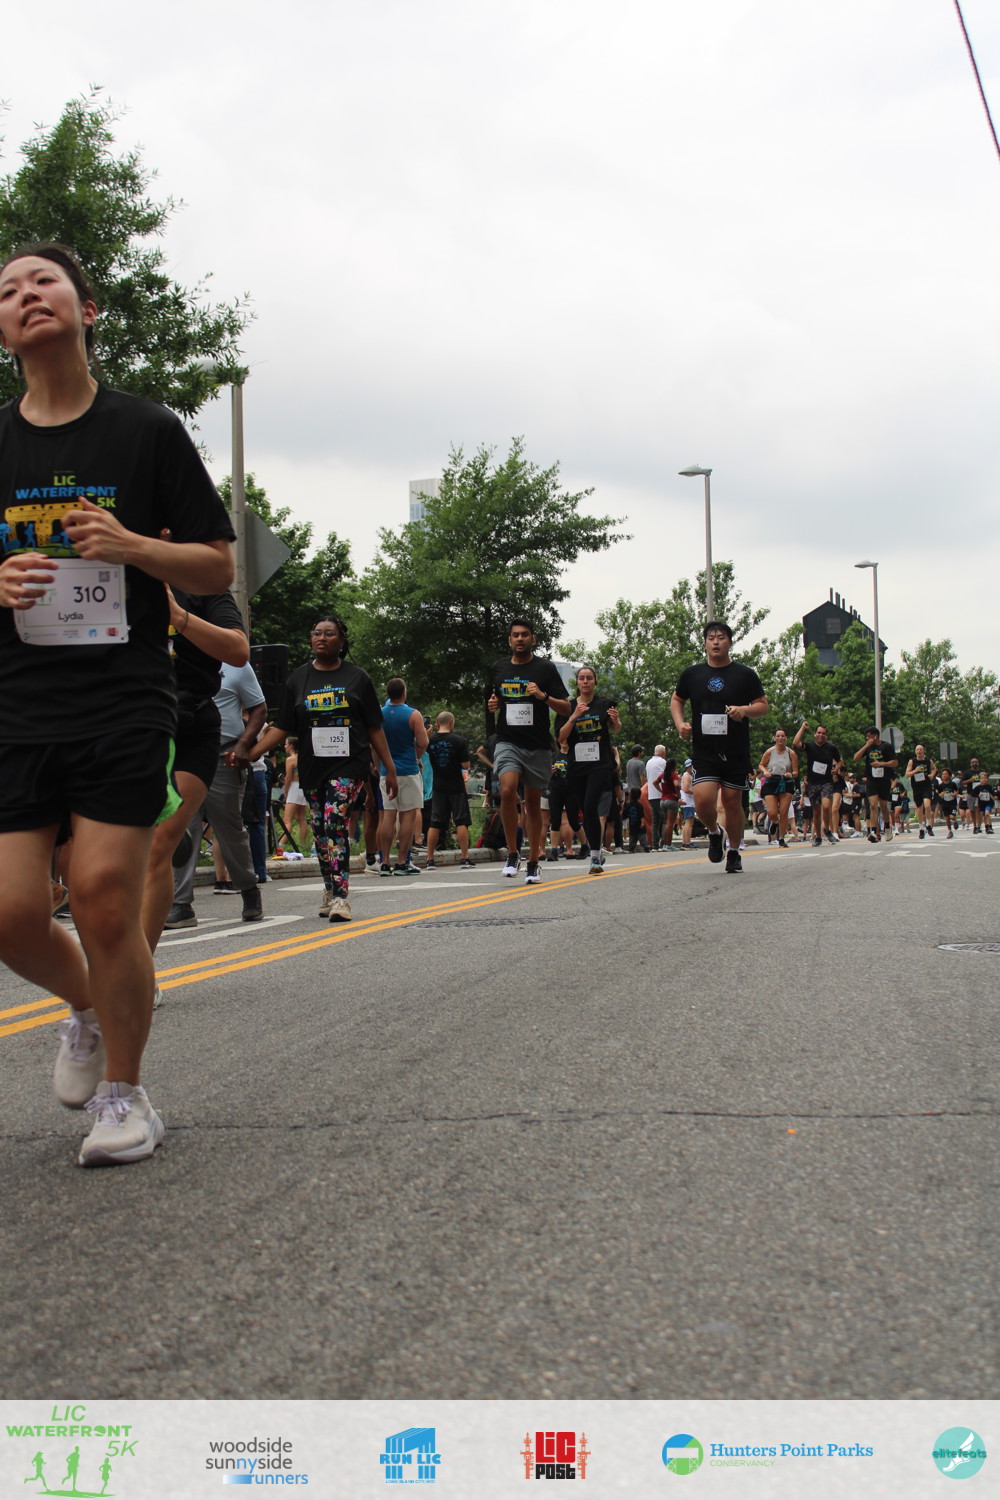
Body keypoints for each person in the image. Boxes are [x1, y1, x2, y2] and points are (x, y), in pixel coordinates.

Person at [0, 242, 235, 1166]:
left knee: (103, 895)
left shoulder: (145, 430)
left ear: (86, 308)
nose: (26, 296)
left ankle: (125, 1098)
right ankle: (89, 1006)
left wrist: (131, 544)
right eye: (8, 291)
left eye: (43, 281)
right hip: (17, 702)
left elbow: (216, 565)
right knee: (11, 914)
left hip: (124, 696)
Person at [252, 615, 398, 921]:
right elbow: (282, 727)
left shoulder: (358, 678)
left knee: (334, 821)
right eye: (316, 633)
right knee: (320, 830)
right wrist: (250, 753)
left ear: (342, 641)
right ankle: (329, 888)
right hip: (313, 766)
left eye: (329, 634)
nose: (321, 638)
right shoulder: (297, 679)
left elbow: (374, 727)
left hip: (349, 764)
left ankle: (342, 898)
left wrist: (389, 767)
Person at [170, 659, 268, 925]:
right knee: (182, 829)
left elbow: (259, 708)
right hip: (182, 754)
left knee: (229, 830)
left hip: (223, 756)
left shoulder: (235, 663)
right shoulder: (174, 657)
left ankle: (248, 888)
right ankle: (180, 903)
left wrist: (244, 744)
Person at [671, 622, 768, 874]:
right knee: (702, 799)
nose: (716, 642)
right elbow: (677, 699)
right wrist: (680, 724)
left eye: (721, 637)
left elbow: (762, 706)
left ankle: (734, 851)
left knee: (732, 801)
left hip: (735, 749)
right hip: (705, 750)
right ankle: (715, 832)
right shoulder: (692, 674)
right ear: (705, 643)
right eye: (711, 638)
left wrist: (743, 710)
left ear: (730, 642)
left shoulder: (745, 674)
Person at [487, 619, 570, 883]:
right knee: (507, 789)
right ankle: (513, 853)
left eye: (525, 635)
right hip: (507, 741)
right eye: (515, 635)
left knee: (533, 803)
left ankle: (533, 861)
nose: (520, 639)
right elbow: (494, 699)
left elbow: (566, 708)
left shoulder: (545, 668)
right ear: (509, 640)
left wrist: (543, 696)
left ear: (533, 639)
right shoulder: (499, 668)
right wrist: (493, 704)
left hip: (537, 744)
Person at [557, 665, 622, 874]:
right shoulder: (567, 707)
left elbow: (615, 729)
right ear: (577, 682)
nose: (585, 682)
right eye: (582, 678)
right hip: (577, 765)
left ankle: (594, 856)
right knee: (586, 811)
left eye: (589, 678)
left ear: (595, 682)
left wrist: (615, 720)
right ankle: (597, 851)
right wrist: (574, 716)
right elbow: (560, 737)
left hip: (600, 763)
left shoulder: (604, 704)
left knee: (590, 805)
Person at [376, 678, 428, 876]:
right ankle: (401, 862)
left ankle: (384, 862)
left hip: (386, 771)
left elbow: (373, 744)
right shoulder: (413, 714)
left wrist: (379, 766)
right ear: (404, 693)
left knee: (388, 815)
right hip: (408, 770)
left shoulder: (379, 714)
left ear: (388, 693)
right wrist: (416, 756)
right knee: (408, 815)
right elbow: (423, 742)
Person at [424, 711, 474, 868]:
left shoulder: (430, 741)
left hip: (438, 786)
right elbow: (466, 765)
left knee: (435, 822)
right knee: (461, 821)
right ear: (451, 722)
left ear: (437, 723)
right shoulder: (459, 741)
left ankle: (430, 859)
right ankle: (464, 857)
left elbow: (421, 752)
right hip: (456, 786)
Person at [792, 720, 841, 846]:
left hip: (826, 781)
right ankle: (818, 836)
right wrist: (803, 728)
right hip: (813, 783)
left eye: (823, 733)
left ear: (826, 735)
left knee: (826, 806)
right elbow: (796, 743)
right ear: (815, 734)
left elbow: (839, 760)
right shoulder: (810, 746)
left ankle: (827, 830)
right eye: (819, 733)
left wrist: (836, 769)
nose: (821, 735)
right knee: (817, 811)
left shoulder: (831, 748)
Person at [853, 727, 898, 842]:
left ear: (875, 736)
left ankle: (887, 828)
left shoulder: (886, 746)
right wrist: (866, 746)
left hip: (884, 780)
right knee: (873, 805)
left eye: (869, 736)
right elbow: (856, 758)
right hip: (871, 780)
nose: (867, 738)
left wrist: (881, 764)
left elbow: (895, 762)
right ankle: (874, 832)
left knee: (883, 806)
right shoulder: (868, 747)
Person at [758, 728, 798, 847]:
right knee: (772, 812)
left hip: (786, 781)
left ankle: (781, 838)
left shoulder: (791, 753)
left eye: (782, 736)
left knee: (784, 811)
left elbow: (796, 771)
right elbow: (761, 764)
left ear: (786, 738)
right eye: (778, 736)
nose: (780, 738)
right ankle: (775, 822)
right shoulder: (770, 752)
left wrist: (791, 774)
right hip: (772, 781)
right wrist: (765, 772)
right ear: (775, 738)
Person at [277, 736, 310, 854]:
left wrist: (285, 791)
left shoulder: (290, 759)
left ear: (291, 745)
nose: (285, 746)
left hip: (294, 788)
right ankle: (303, 844)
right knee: (301, 819)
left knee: (287, 819)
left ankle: (281, 844)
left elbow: (288, 778)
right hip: (302, 788)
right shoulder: (303, 757)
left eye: (286, 744)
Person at [905, 745, 937, 837]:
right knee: (919, 809)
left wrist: (932, 774)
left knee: (927, 806)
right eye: (917, 750)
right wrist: (915, 771)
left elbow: (934, 768)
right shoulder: (912, 761)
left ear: (923, 751)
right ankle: (921, 828)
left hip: (926, 786)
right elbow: (907, 774)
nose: (919, 751)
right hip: (916, 787)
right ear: (915, 751)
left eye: (921, 749)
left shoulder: (928, 761)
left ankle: (928, 825)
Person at [624, 743, 649, 853]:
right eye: (641, 751)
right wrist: (645, 788)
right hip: (639, 791)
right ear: (639, 752)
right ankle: (644, 841)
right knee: (641, 813)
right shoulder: (640, 763)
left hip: (630, 791)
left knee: (632, 815)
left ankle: (632, 842)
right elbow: (642, 778)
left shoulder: (629, 763)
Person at [655, 757, 681, 847]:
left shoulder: (663, 775)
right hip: (671, 800)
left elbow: (655, 782)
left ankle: (664, 844)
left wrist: (661, 791)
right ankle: (668, 844)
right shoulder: (673, 774)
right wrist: (677, 794)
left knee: (667, 823)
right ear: (674, 766)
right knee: (670, 824)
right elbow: (676, 784)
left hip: (663, 800)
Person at [645, 743, 667, 850]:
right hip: (660, 793)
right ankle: (664, 842)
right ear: (662, 753)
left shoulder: (648, 762)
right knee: (664, 819)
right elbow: (666, 776)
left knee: (655, 821)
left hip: (651, 794)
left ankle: (654, 844)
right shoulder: (663, 762)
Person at [936, 766, 959, 837]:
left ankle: (955, 821)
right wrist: (941, 794)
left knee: (952, 816)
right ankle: (950, 831)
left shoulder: (953, 784)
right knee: (947, 817)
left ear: (949, 776)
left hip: (952, 803)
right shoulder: (940, 786)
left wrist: (955, 794)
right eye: (943, 774)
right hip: (945, 803)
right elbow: (938, 793)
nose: (944, 775)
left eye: (946, 774)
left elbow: (957, 791)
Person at [678, 759, 696, 847]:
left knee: (687, 822)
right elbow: (686, 789)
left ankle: (685, 842)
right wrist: (697, 792)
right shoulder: (687, 776)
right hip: (688, 802)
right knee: (689, 822)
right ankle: (687, 842)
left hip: (686, 802)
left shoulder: (687, 776)